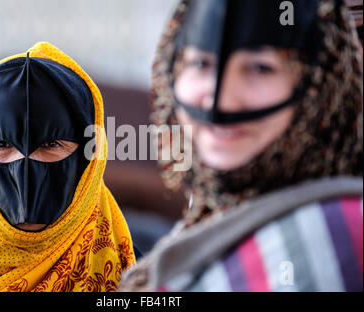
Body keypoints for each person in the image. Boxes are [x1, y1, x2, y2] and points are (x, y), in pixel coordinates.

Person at [119, 0, 362, 292]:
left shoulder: (339, 233)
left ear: (323, 82)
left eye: (260, 68)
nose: (221, 101)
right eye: (200, 64)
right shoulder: (212, 217)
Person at [0, 42, 135, 292]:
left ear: (89, 157)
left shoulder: (128, 273)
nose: (25, 179)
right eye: (0, 144)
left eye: (51, 144)